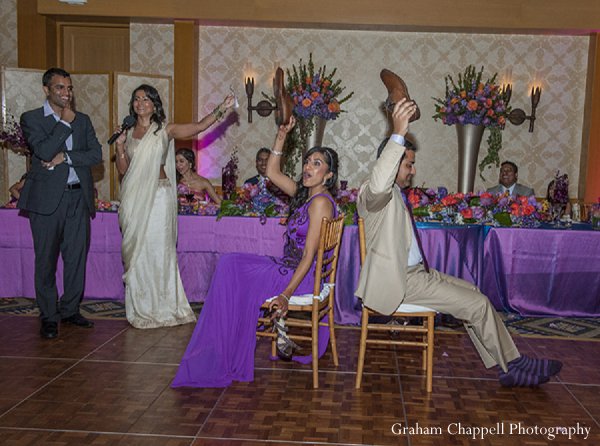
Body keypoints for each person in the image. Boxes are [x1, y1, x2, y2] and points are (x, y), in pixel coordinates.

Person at [356, 99, 562, 387]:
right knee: (477, 305)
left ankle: (505, 361)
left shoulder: (395, 192)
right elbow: (379, 182)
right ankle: (513, 365)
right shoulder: (373, 192)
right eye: (409, 165)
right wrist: (398, 132)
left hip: (417, 274)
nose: (412, 171)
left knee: (475, 292)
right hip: (399, 281)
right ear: (390, 163)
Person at [172, 115, 339, 388]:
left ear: (329, 175)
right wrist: (282, 135)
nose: (308, 166)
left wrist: (285, 296)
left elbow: (309, 256)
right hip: (289, 267)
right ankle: (223, 347)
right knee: (229, 262)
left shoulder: (320, 203)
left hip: (300, 277)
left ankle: (223, 351)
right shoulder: (306, 195)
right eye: (307, 161)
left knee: (232, 270)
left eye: (317, 164)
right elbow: (272, 173)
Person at [114, 84, 234, 329]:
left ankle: (165, 306)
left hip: (158, 197)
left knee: (158, 251)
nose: (140, 103)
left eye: (146, 99)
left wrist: (222, 109)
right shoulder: (128, 131)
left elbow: (199, 127)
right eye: (136, 99)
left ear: (155, 104)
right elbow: (124, 171)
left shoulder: (164, 130)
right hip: (134, 199)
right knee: (138, 254)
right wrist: (119, 146)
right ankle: (142, 306)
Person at [18, 67, 103, 339]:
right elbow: (42, 150)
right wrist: (64, 123)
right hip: (46, 202)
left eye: (69, 88)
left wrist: (65, 157)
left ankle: (69, 310)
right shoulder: (31, 118)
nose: (66, 93)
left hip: (78, 197)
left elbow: (95, 155)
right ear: (46, 90)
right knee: (46, 260)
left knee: (76, 258)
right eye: (60, 88)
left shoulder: (84, 120)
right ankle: (49, 316)